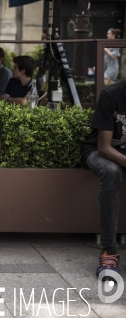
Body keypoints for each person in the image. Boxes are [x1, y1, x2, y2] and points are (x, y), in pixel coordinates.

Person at [81, 79, 126, 283]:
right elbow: (104, 147)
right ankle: (109, 253)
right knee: (111, 171)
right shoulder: (111, 95)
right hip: (100, 153)